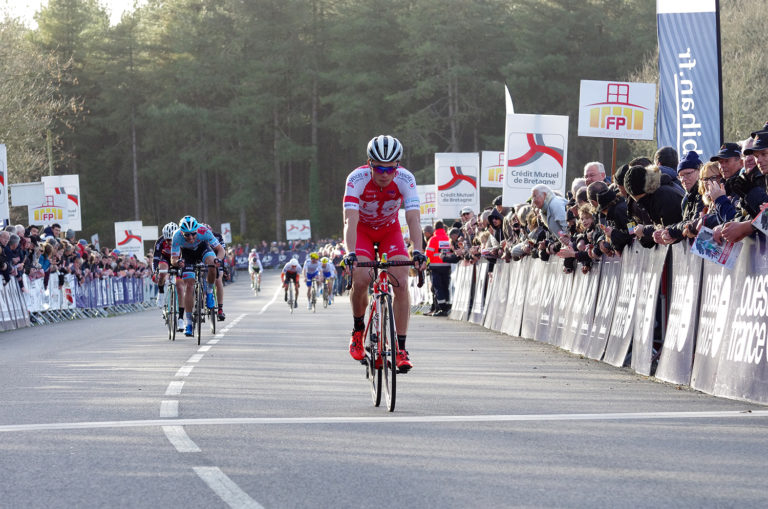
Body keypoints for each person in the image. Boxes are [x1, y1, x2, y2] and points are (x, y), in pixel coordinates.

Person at [342, 135, 426, 372]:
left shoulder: (406, 179)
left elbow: (413, 218)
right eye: (379, 168)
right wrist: (350, 253)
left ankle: (401, 348)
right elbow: (350, 220)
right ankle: (358, 330)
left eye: (390, 168)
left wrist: (418, 251)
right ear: (369, 163)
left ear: (397, 166)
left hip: (390, 231)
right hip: (362, 231)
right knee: (361, 278)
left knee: (401, 282)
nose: (385, 174)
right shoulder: (356, 179)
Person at [170, 215, 225, 337]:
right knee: (189, 286)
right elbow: (173, 259)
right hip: (187, 255)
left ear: (197, 230)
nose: (191, 237)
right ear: (182, 233)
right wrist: (177, 262)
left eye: (193, 234)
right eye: (187, 235)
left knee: (212, 264)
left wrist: (218, 260)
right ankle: (189, 323)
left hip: (202, 249)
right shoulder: (176, 236)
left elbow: (221, 250)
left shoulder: (203, 231)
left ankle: (209, 293)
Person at [153, 222, 186, 330]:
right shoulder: (160, 241)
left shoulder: (182, 240)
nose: (170, 242)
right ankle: (161, 293)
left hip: (178, 260)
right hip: (165, 259)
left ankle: (181, 319)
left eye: (172, 239)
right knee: (162, 271)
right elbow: (156, 258)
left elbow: (186, 256)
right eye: (167, 240)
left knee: (180, 287)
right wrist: (155, 272)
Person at [425, 220, 452, 317]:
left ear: (435, 228)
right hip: (447, 266)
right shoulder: (448, 238)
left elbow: (428, 254)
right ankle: (448, 306)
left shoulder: (433, 239)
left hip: (435, 267)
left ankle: (442, 308)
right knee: (446, 286)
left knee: (438, 287)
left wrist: (426, 265)